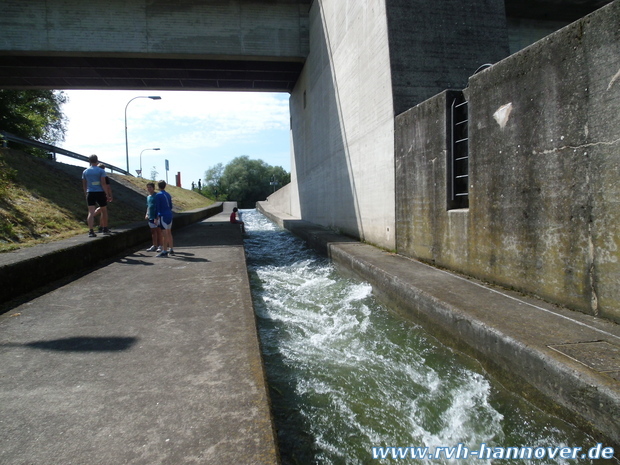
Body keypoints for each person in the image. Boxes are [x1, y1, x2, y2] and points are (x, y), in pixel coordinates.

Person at [82, 154, 112, 237]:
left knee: (91, 212)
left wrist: (86, 193)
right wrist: (107, 194)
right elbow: (103, 183)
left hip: (90, 192)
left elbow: (84, 184)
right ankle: (105, 228)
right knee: (104, 210)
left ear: (89, 161)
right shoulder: (101, 171)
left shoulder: (85, 171)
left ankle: (91, 231)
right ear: (97, 160)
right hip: (100, 192)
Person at [154, 180, 174, 257]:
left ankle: (164, 250)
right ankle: (171, 249)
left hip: (163, 215)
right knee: (169, 232)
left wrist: (156, 217)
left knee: (164, 234)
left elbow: (157, 207)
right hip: (169, 214)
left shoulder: (158, 195)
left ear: (158, 186)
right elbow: (171, 206)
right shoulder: (168, 194)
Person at [93, 163, 113, 233]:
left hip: (93, 193)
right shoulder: (104, 177)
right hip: (102, 194)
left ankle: (101, 226)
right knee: (103, 210)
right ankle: (103, 227)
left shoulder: (94, 176)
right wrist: (109, 195)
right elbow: (108, 187)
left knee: (102, 210)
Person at [145, 182, 162, 252]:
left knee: (158, 231)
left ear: (153, 188)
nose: (149, 189)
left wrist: (157, 217)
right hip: (150, 216)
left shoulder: (157, 196)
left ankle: (160, 245)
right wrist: (146, 214)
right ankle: (154, 245)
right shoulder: (148, 197)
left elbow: (158, 206)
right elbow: (148, 206)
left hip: (156, 216)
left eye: (150, 187)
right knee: (153, 231)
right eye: (148, 187)